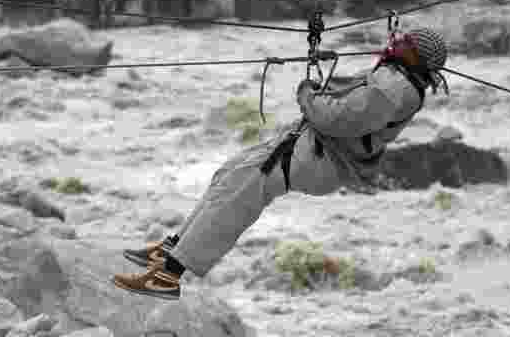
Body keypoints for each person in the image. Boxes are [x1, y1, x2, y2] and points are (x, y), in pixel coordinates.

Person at [113, 27, 449, 300]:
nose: (398, 41)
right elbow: (351, 100)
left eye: (407, 42)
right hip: (313, 148)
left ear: (416, 56)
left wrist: (306, 94)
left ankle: (169, 275)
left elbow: (337, 120)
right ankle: (172, 248)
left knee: (237, 197)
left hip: (319, 156)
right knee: (228, 175)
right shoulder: (396, 77)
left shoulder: (393, 87)